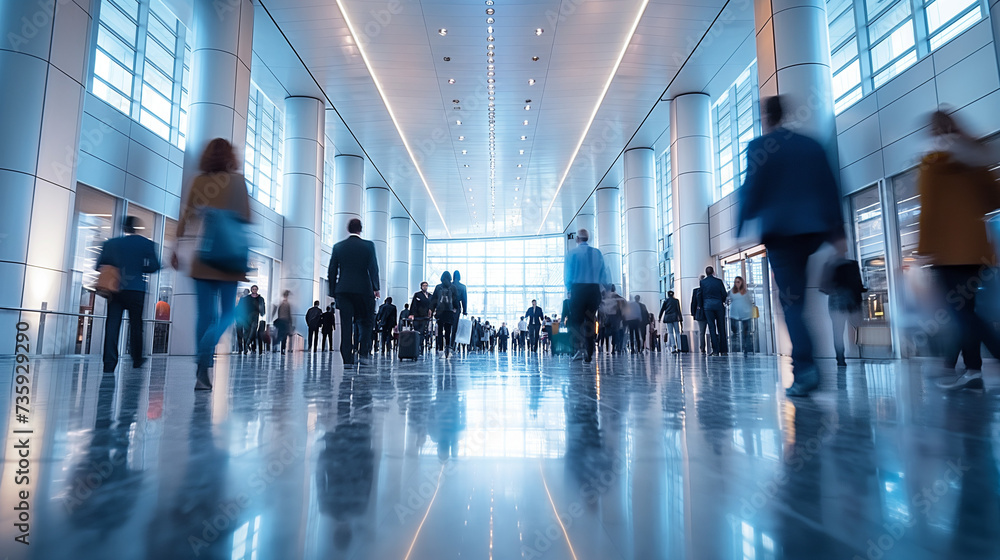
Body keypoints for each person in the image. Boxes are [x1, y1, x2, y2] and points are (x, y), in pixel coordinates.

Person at [737, 95, 845, 396]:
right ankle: (815, 362)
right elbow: (830, 185)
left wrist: (743, 223)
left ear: (766, 118)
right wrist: (838, 231)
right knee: (803, 300)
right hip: (813, 230)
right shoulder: (811, 144)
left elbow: (752, 188)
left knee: (793, 302)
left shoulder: (760, 147)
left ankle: (806, 369)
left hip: (781, 234)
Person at [916, 110, 1000, 390]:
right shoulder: (974, 157)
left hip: (946, 252)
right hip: (976, 250)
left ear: (933, 130)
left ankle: (985, 361)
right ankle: (973, 371)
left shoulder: (932, 161)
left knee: (961, 314)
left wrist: (924, 249)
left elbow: (928, 209)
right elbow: (992, 198)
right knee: (966, 310)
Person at [173, 138, 252, 391]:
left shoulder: (199, 181)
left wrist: (175, 248)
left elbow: (185, 216)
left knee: (204, 316)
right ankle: (208, 347)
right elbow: (247, 217)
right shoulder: (238, 181)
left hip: (203, 257)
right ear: (230, 156)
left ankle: (202, 371)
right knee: (229, 313)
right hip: (230, 258)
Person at [97, 215, 160, 374]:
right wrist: (139, 269)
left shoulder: (111, 244)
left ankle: (109, 363)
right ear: (136, 227)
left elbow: (99, 265)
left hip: (115, 288)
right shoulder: (146, 244)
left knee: (112, 324)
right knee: (136, 325)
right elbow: (155, 266)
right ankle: (137, 359)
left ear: (124, 227)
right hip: (136, 289)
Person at [328, 218, 380, 366]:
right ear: (360, 229)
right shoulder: (369, 246)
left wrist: (333, 291)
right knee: (365, 322)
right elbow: (373, 268)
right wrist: (376, 288)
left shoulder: (338, 247)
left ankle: (347, 359)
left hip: (344, 291)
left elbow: (332, 270)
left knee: (346, 325)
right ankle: (363, 353)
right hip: (364, 290)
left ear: (348, 229)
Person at [822, 255, 865, 367]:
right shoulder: (852, 265)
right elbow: (859, 285)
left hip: (836, 304)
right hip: (852, 303)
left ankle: (840, 358)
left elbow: (825, 288)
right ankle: (860, 351)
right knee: (857, 328)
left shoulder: (830, 265)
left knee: (838, 333)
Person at [430, 271, 461, 357]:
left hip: (440, 311)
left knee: (439, 331)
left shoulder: (438, 287)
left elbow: (434, 300)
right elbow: (456, 300)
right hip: (449, 312)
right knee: (448, 331)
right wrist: (455, 308)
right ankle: (447, 349)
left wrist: (432, 310)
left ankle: (440, 349)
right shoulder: (453, 287)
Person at [700, 267, 729, 356]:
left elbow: (701, 294)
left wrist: (702, 305)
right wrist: (722, 301)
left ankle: (715, 350)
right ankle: (723, 350)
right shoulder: (719, 281)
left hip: (708, 307)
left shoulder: (702, 282)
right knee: (721, 327)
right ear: (713, 272)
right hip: (719, 306)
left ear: (706, 273)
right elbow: (724, 294)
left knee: (712, 328)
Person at [728, 276, 754, 356]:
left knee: (746, 332)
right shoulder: (731, 292)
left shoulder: (746, 292)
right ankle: (735, 347)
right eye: (735, 282)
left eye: (738, 282)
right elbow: (727, 300)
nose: (737, 283)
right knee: (734, 331)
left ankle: (746, 348)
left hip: (745, 314)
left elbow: (750, 301)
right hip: (734, 314)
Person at [691, 277, 709, 354]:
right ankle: (703, 348)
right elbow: (693, 303)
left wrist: (693, 313)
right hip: (705, 312)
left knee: (702, 331)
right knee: (704, 331)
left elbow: (693, 303)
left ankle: (702, 348)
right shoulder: (705, 290)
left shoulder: (696, 291)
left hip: (701, 312)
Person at [452, 270, 468, 347]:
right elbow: (464, 300)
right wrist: (465, 311)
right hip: (457, 307)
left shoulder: (449, 285)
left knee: (448, 326)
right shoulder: (462, 287)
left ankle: (448, 343)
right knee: (455, 328)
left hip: (448, 307)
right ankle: (453, 344)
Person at [274, 290, 293, 354]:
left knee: (280, 335)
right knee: (284, 336)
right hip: (285, 322)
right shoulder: (287, 304)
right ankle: (282, 349)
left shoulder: (281, 304)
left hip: (281, 321)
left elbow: (279, 313)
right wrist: (290, 322)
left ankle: (276, 346)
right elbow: (289, 314)